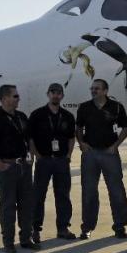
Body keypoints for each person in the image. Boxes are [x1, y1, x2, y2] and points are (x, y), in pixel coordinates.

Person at [0, 84, 38, 253]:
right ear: (4, 98)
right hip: (7, 167)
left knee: (26, 204)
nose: (18, 98)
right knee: (8, 205)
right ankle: (8, 241)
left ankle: (26, 238)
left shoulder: (21, 116)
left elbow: (29, 139)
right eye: (15, 96)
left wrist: (31, 157)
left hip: (24, 166)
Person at [75, 79, 127, 239]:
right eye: (92, 89)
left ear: (105, 91)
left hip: (109, 153)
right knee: (89, 192)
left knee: (116, 191)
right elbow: (78, 128)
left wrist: (116, 145)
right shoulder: (84, 107)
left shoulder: (116, 107)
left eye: (97, 89)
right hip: (90, 154)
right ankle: (87, 227)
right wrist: (82, 143)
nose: (93, 91)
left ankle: (119, 226)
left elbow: (126, 127)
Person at [28, 83, 77, 243]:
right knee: (38, 195)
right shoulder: (37, 115)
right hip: (44, 160)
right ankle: (35, 229)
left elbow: (71, 137)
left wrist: (69, 155)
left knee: (63, 195)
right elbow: (30, 138)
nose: (56, 95)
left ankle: (63, 228)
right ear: (48, 94)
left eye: (59, 93)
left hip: (61, 161)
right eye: (53, 92)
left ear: (62, 96)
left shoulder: (68, 116)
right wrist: (37, 156)